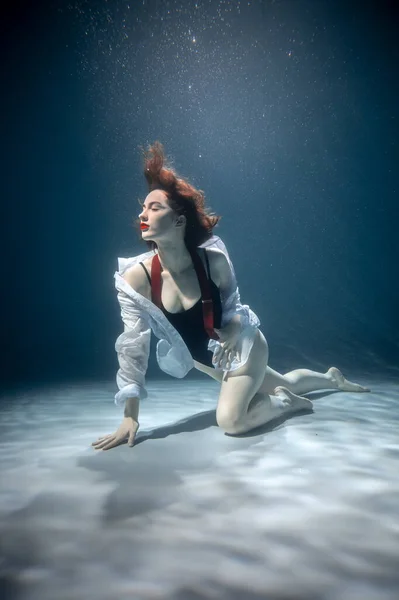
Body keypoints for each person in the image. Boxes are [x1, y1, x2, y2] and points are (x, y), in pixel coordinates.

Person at [92, 142, 369, 451]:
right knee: (285, 381)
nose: (142, 215)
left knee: (231, 421)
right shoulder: (137, 278)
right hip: (213, 362)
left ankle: (287, 405)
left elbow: (236, 310)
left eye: (154, 208)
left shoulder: (214, 261)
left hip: (245, 347)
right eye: (143, 208)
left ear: (179, 220)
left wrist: (232, 331)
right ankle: (332, 380)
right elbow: (133, 349)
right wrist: (130, 417)